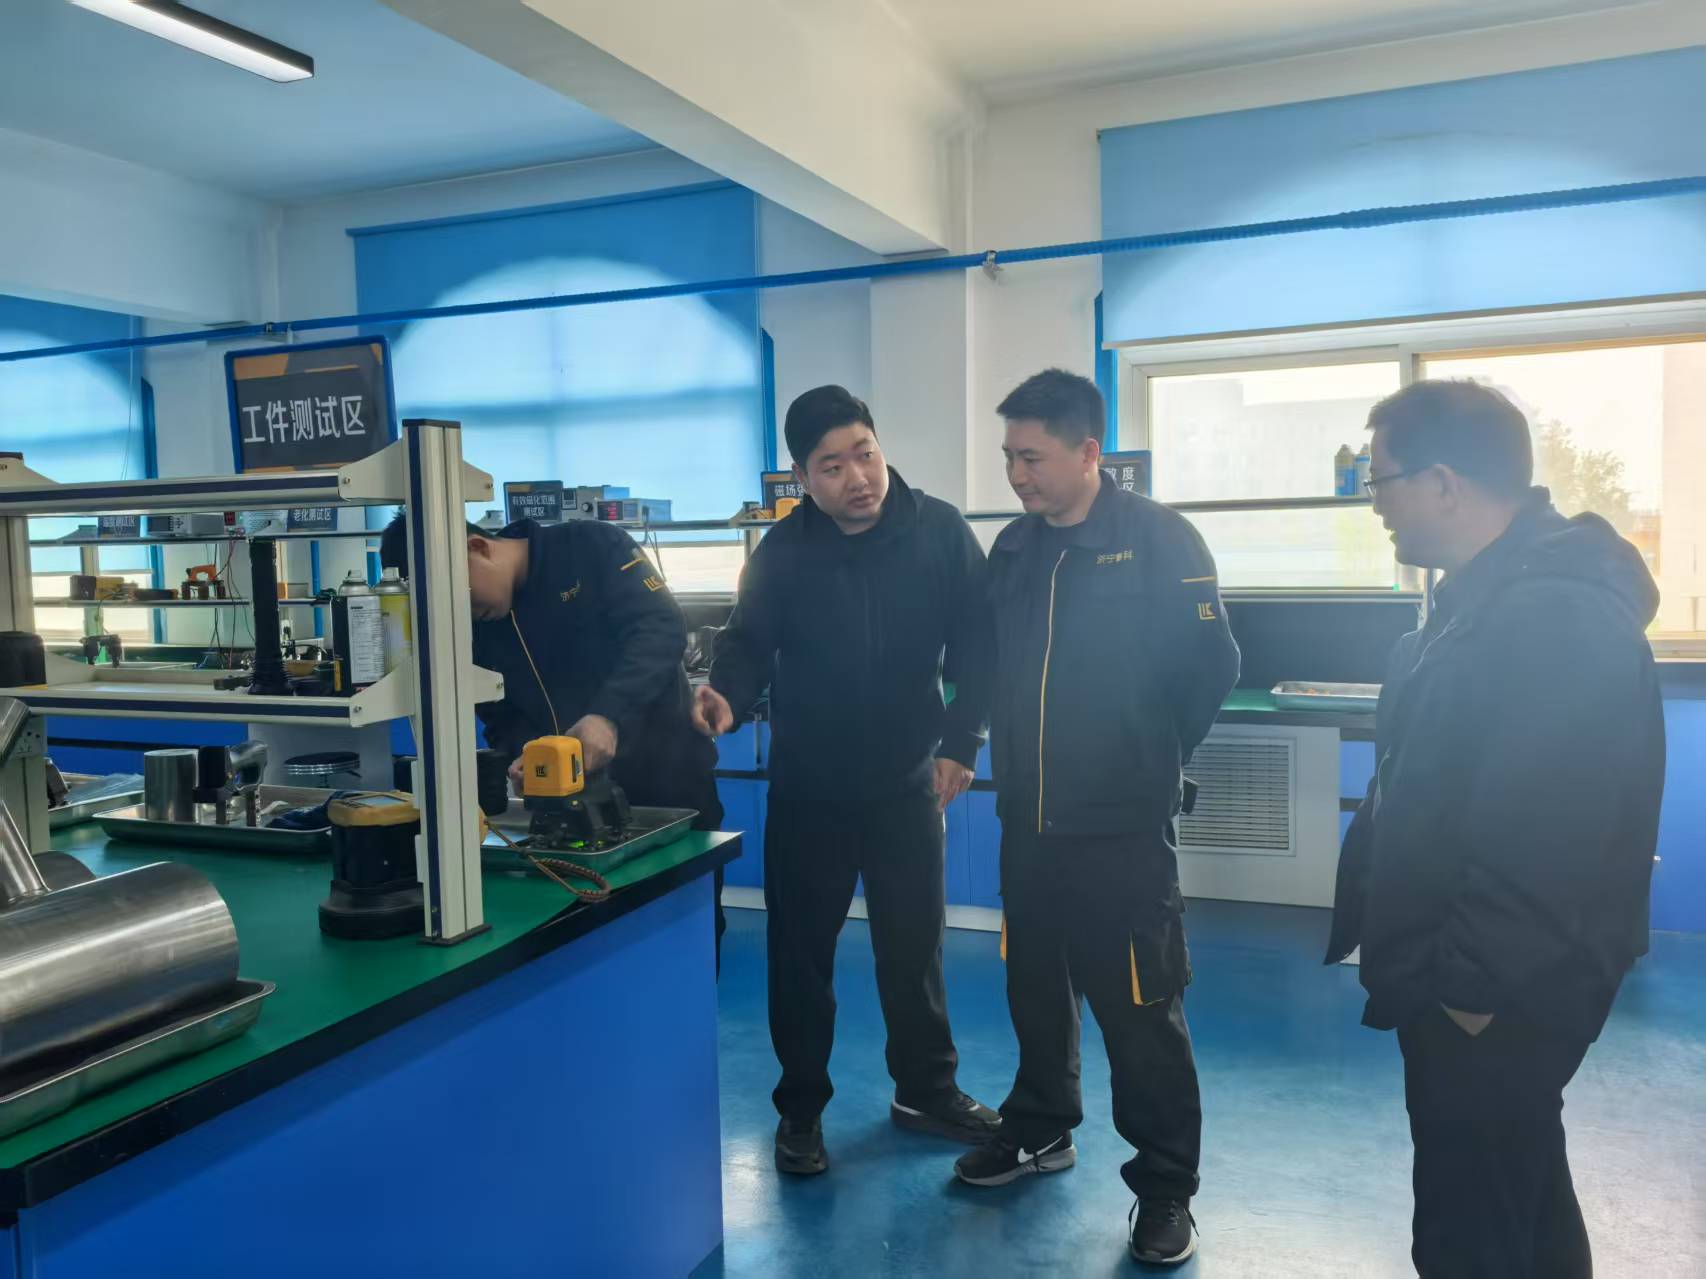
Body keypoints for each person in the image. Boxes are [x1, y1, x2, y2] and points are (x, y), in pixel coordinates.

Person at [1326, 379, 1665, 1278]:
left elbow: (1550, 830)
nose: (1375, 504)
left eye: (1381, 481)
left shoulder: (1554, 615)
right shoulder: (1480, 597)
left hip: (1496, 989)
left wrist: (1469, 992)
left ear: (1444, 483)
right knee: (1521, 1187)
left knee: (1468, 1230)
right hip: (1472, 975)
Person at [954, 369, 1238, 1269]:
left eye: (1032, 458)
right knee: (1035, 987)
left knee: (1140, 1006)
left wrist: (1152, 755)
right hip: (1029, 821)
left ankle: (1165, 1184)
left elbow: (1212, 665)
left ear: (1088, 451)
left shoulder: (1158, 539)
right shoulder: (1013, 549)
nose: (1017, 476)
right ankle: (1041, 1126)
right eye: (1008, 457)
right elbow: (989, 665)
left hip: (1122, 828)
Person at [692, 385, 999, 1175]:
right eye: (832, 466)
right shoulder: (783, 552)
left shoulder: (939, 532)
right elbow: (747, 642)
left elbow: (979, 644)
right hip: (810, 788)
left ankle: (926, 1089)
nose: (858, 477)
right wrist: (726, 693)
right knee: (800, 957)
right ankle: (800, 1109)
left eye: (865, 453)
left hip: (908, 781)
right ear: (801, 476)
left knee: (914, 948)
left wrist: (962, 740)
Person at [378, 510, 726, 949]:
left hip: (669, 789)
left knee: (687, 939)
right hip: (569, 817)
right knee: (589, 946)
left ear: (477, 547)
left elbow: (660, 629)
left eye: (458, 597)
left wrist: (608, 716)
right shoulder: (478, 626)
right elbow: (498, 711)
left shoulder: (592, 547)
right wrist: (520, 757)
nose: (460, 613)